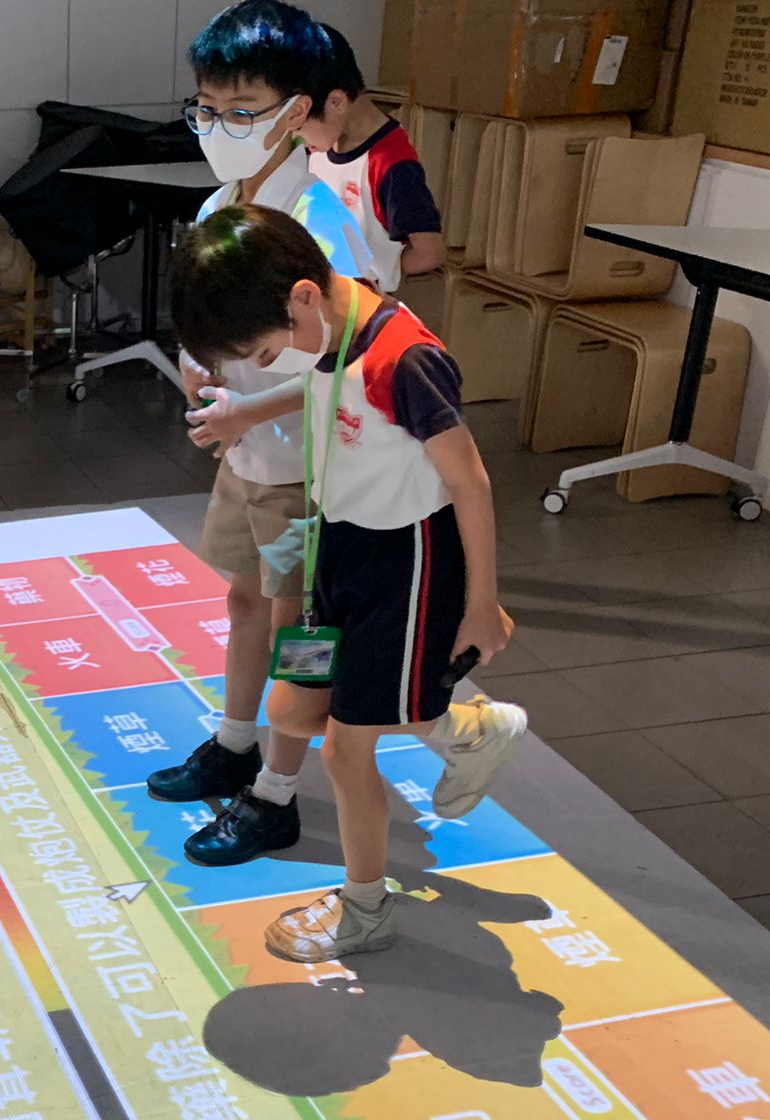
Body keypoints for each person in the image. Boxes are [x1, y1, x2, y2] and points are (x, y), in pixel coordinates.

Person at [170, 204, 527, 960]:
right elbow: (320, 393)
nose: (270, 363)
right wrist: (248, 417)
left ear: (302, 297)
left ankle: (364, 909)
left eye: (266, 351)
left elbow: (471, 481)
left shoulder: (405, 359)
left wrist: (482, 603)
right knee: (292, 710)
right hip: (337, 548)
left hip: (404, 566)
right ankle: (467, 730)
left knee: (342, 752)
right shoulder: (332, 333)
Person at [150, 0, 378, 869]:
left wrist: (248, 408)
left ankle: (277, 793)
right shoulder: (223, 202)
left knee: (301, 633)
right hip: (246, 454)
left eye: (242, 110)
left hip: (308, 469)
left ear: (296, 113)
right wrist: (196, 365)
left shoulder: (321, 223)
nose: (220, 128)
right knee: (246, 601)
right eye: (207, 108)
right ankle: (234, 742)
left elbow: (348, 360)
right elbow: (207, 316)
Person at [298, 21, 443, 295]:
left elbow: (429, 253)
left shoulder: (392, 166)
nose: (295, 136)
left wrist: (383, 272)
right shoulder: (324, 139)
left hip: (359, 302)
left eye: (298, 125)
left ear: (336, 102)